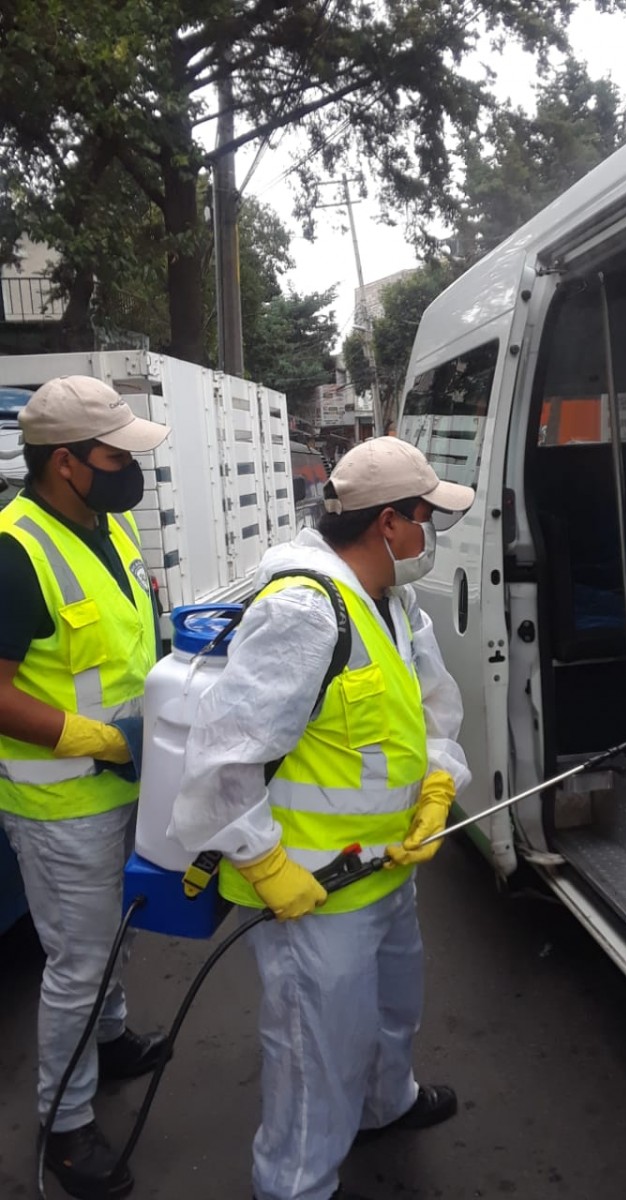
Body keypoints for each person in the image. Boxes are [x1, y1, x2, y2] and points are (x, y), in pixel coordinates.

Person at [170, 436, 475, 1200]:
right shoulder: (304, 611)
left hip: (385, 871)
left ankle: (384, 1105)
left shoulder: (392, 604)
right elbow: (223, 758)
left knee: (394, 1008)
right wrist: (265, 864)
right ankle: (293, 1184)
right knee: (316, 1055)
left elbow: (431, 710)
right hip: (311, 894)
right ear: (389, 525)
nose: (430, 534)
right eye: (426, 518)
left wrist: (437, 785)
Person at [0, 376, 171, 1200]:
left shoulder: (112, 522)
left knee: (117, 936)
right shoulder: (14, 550)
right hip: (63, 799)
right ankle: (65, 1126)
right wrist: (99, 740)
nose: (130, 467)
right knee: (77, 961)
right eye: (116, 455)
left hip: (131, 782)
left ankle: (111, 1041)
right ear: (65, 463)